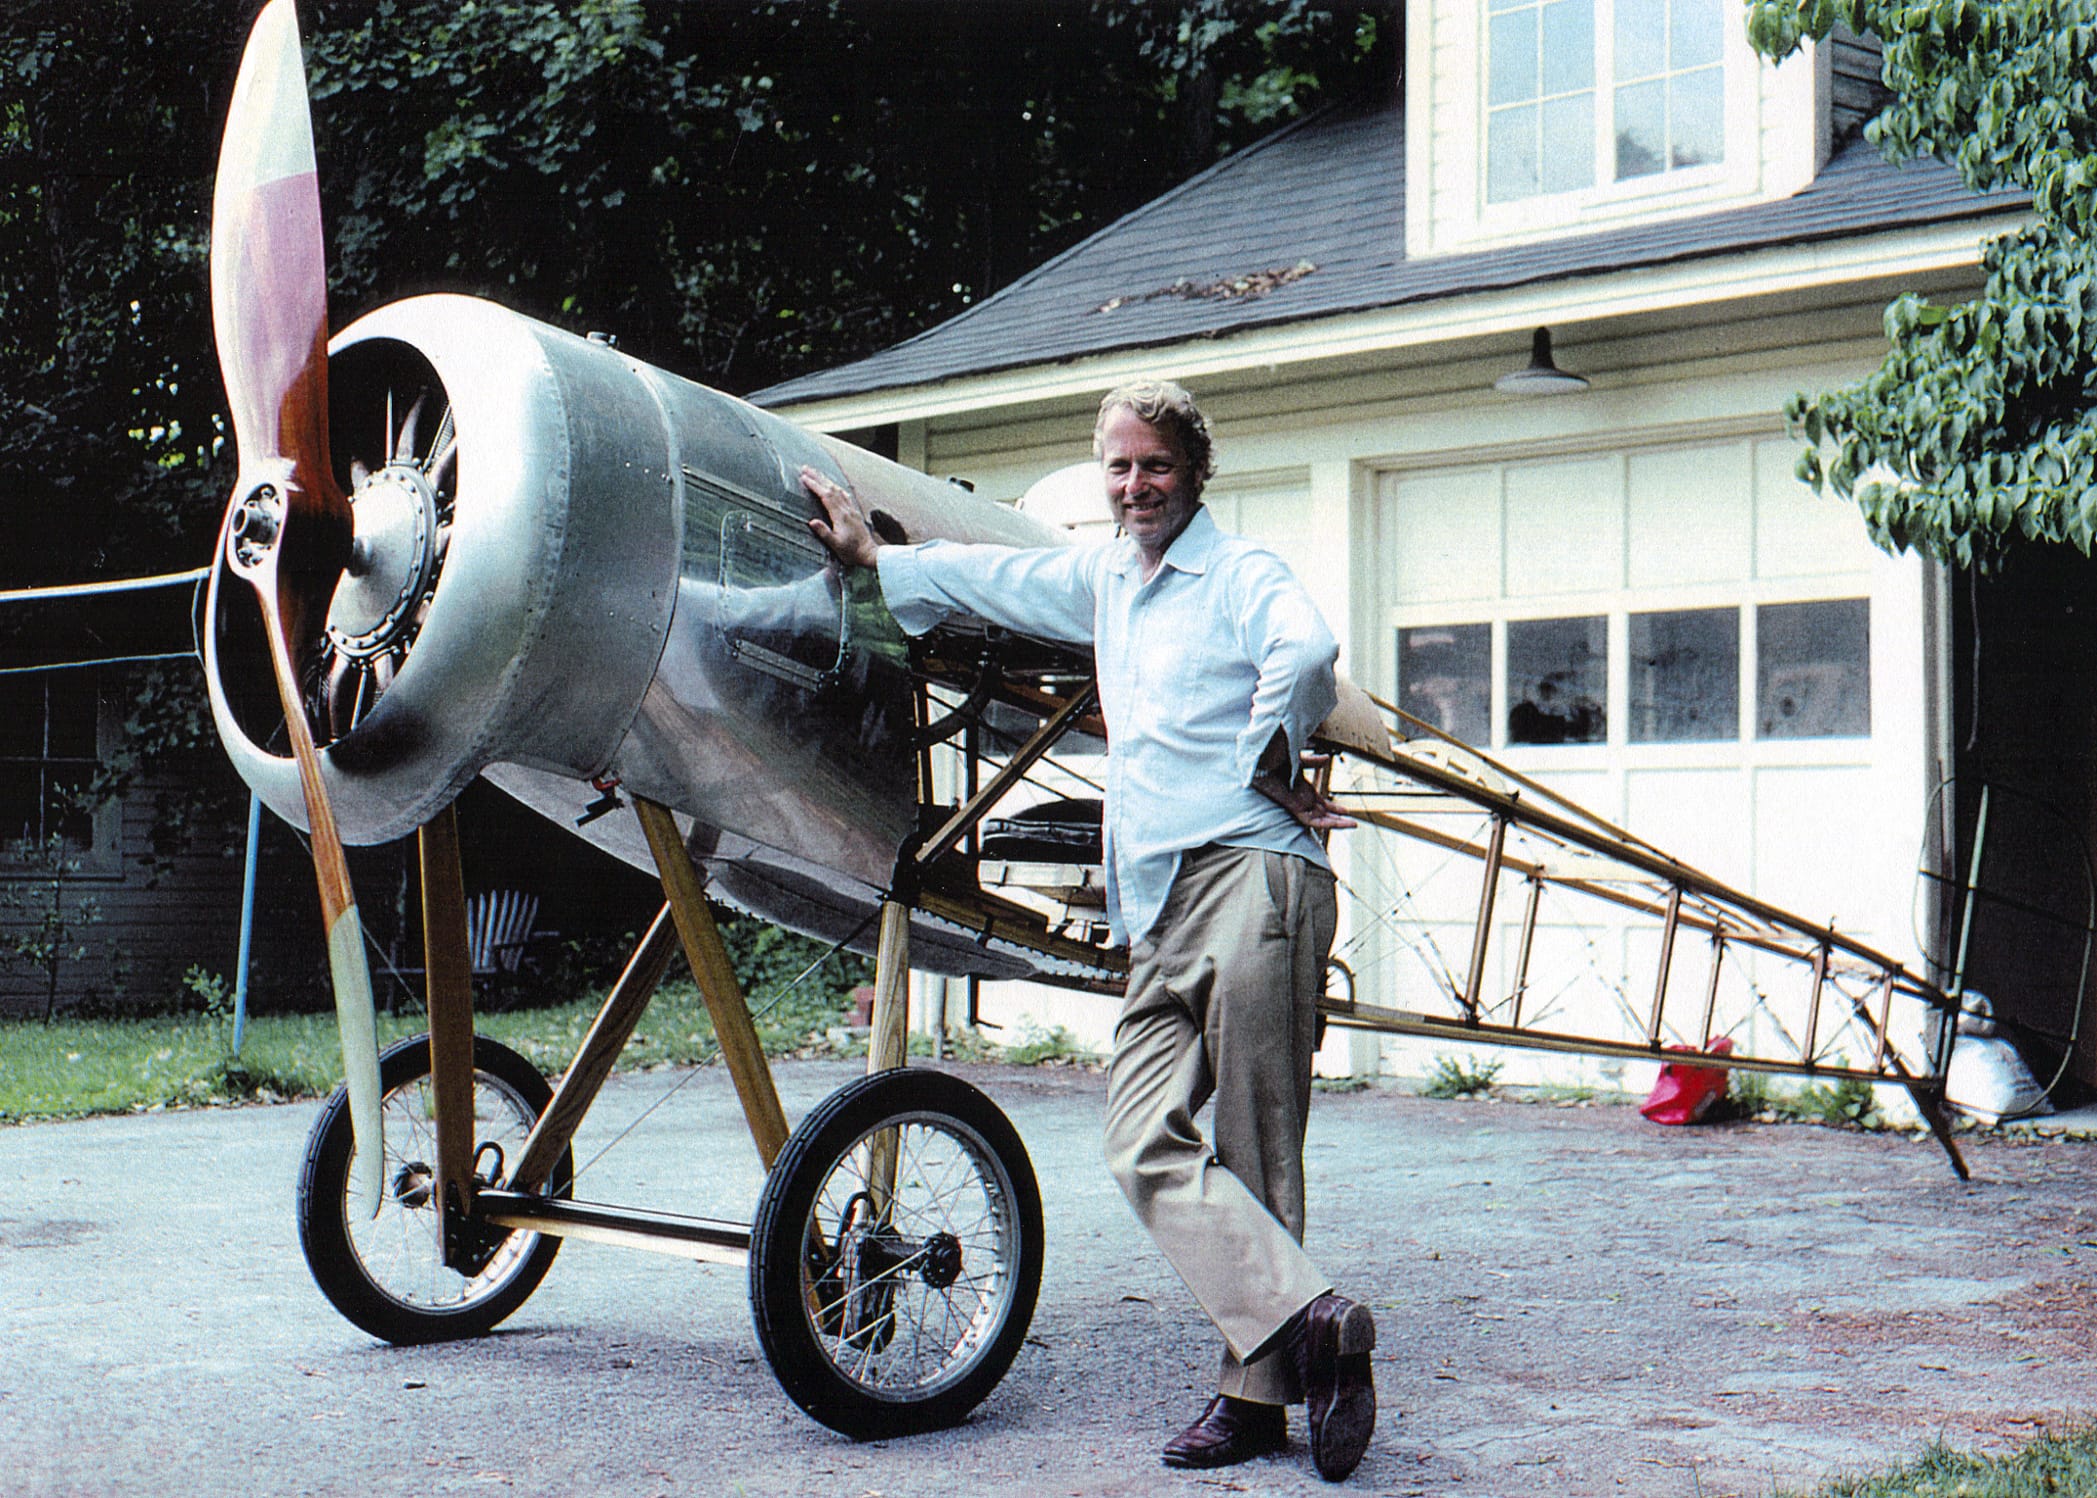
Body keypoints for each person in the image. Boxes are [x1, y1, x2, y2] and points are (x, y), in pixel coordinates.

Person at [801, 379, 1378, 1482]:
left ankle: (1253, 1402)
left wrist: (1268, 758)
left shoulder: (1241, 572)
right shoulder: (1111, 577)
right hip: (1161, 897)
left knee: (1258, 1148)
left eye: (1153, 466)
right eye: (1117, 467)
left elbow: (1305, 656)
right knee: (1138, 1135)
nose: (1133, 486)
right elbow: (1000, 578)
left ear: (1193, 472)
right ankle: (1315, 1319)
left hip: (1259, 878)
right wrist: (875, 559)